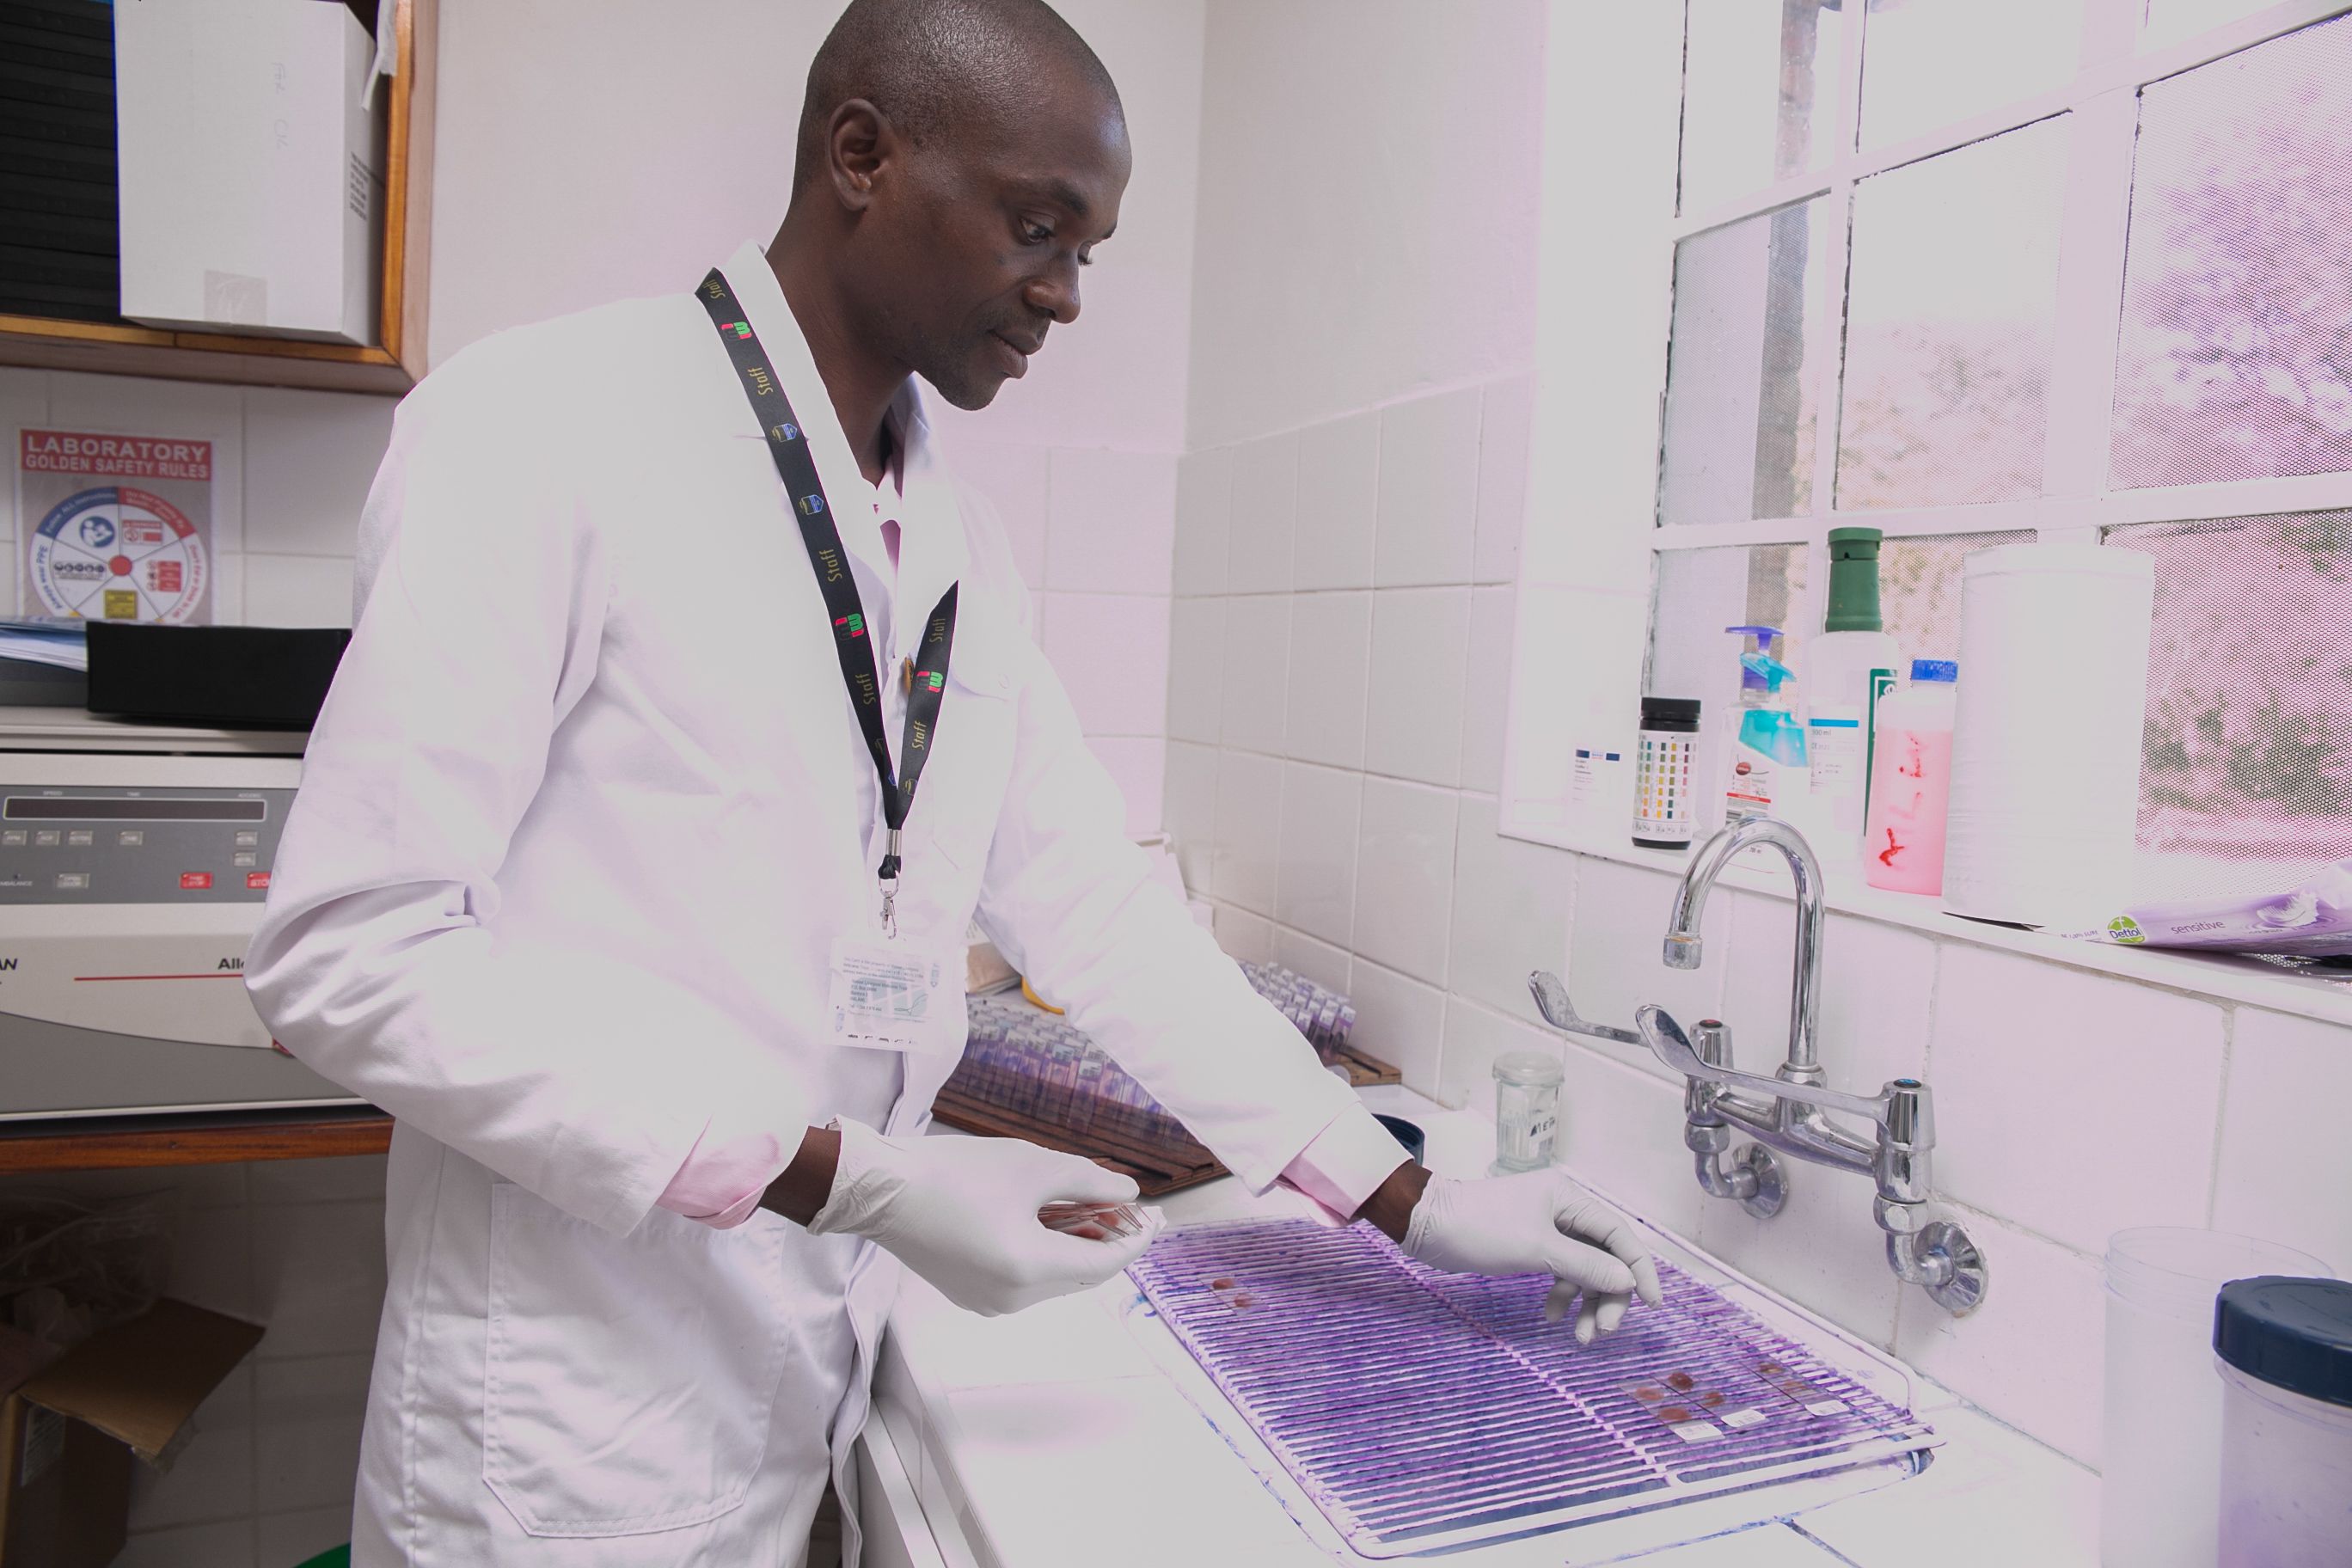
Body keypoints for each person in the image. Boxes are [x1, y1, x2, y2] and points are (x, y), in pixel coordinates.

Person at [246, 1, 1663, 1563]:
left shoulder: (955, 547)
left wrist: (1403, 1199)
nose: (1062, 293)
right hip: (570, 1411)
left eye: (1089, 250)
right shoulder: (547, 426)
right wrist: (851, 1181)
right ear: (863, 155)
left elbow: (1095, 910)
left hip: (802, 1375)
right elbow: (351, 955)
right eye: (1035, 226)